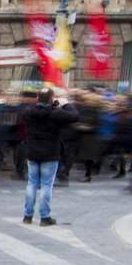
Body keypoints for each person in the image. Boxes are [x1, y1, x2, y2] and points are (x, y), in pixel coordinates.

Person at [23, 88, 78, 226]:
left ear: (37, 97)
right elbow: (75, 116)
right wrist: (65, 104)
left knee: (31, 183)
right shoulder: (56, 113)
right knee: (47, 185)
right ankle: (44, 216)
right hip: (50, 153)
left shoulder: (29, 112)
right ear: (52, 98)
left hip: (32, 151)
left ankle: (27, 215)